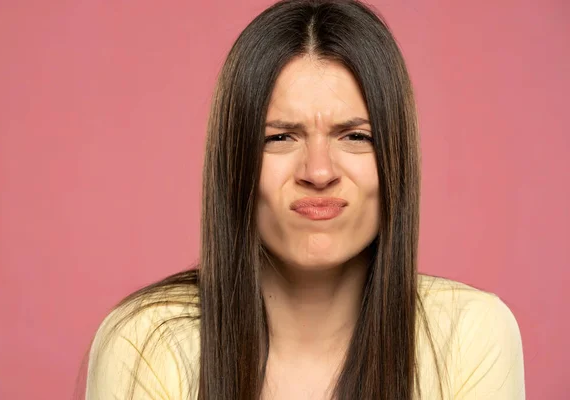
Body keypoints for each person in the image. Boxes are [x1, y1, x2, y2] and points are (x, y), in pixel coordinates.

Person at [84, 0, 525, 399]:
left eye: (355, 136)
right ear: (235, 163)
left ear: (397, 160)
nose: (318, 172)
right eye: (279, 137)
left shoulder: (471, 335)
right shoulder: (144, 342)